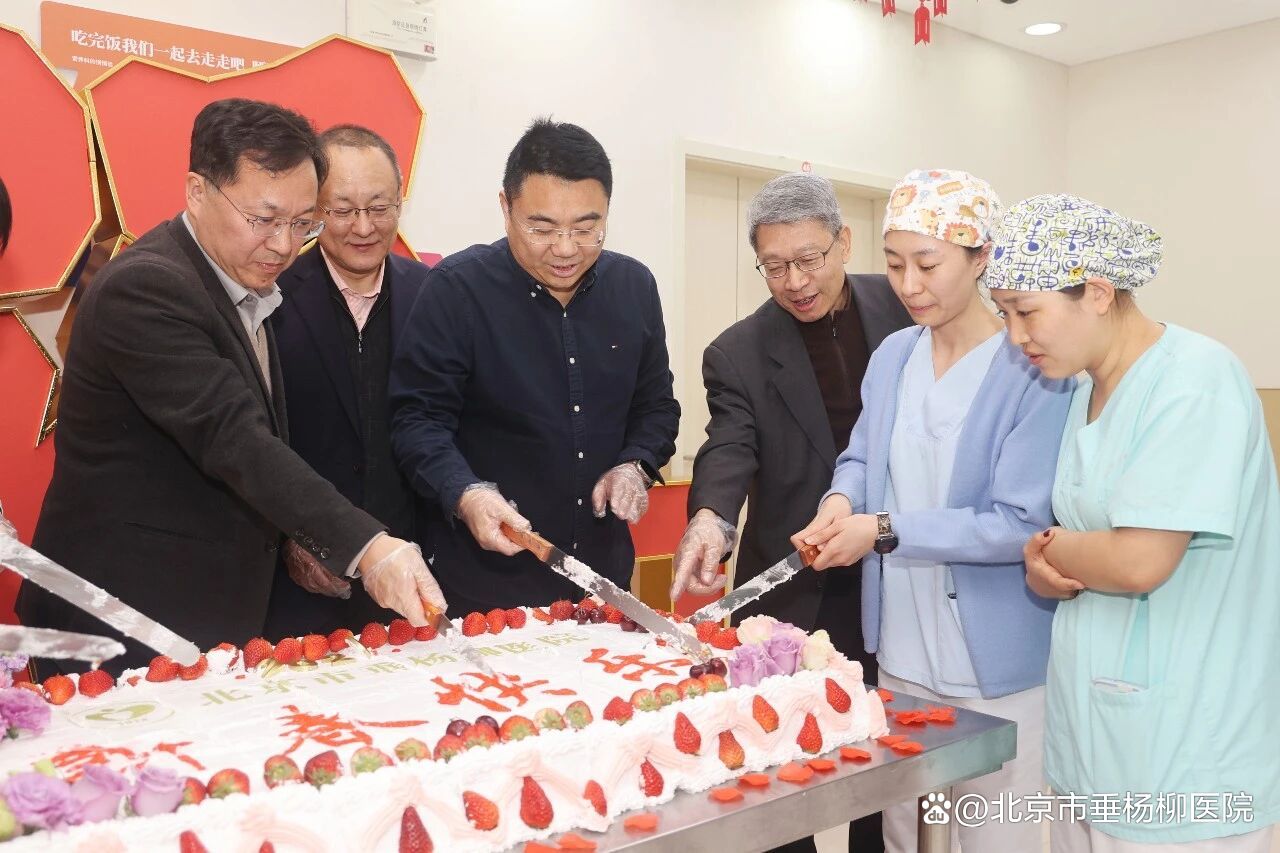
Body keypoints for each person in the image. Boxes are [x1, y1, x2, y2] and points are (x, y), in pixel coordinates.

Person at [18, 98, 444, 674]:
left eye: (302, 223)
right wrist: (369, 547)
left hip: (206, 613)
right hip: (123, 618)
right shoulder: (146, 289)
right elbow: (233, 437)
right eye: (263, 219)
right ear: (197, 191)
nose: (284, 245)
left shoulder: (245, 284)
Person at [986, 194, 1280, 852]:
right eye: (1004, 314)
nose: (1015, 336)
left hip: (1188, 746)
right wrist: (1046, 560)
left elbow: (1140, 560)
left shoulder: (1195, 380)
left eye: (1026, 312)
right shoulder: (1082, 390)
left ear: (1096, 292)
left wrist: (1054, 548)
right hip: (1095, 740)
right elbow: (1085, 544)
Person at [794, 170, 1074, 853]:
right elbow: (863, 456)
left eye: (927, 264)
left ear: (981, 258)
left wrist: (883, 531)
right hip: (902, 650)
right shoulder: (895, 355)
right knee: (904, 832)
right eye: (894, 264)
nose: (909, 285)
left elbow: (1018, 523)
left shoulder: (1031, 365)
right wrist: (841, 500)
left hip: (996, 664)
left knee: (994, 836)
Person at [671, 171, 910, 852]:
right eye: (774, 266)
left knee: (886, 764)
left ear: (844, 242)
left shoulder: (903, 307)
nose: (795, 281)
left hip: (893, 575)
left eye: (809, 259)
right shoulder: (738, 352)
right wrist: (711, 518)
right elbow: (729, 443)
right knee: (777, 774)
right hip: (793, 590)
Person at [390, 118, 679, 613]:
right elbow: (416, 420)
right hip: (485, 588)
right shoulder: (457, 289)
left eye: (586, 228)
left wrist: (635, 464)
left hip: (601, 582)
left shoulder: (634, 288)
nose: (565, 249)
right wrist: (466, 493)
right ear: (506, 207)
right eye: (542, 228)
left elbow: (656, 408)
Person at [265, 124, 429, 639]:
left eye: (379, 208)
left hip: (411, 576)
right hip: (301, 586)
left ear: (400, 204)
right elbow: (250, 442)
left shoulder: (434, 296)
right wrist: (291, 539)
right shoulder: (269, 299)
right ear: (314, 208)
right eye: (342, 210)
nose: (363, 227)